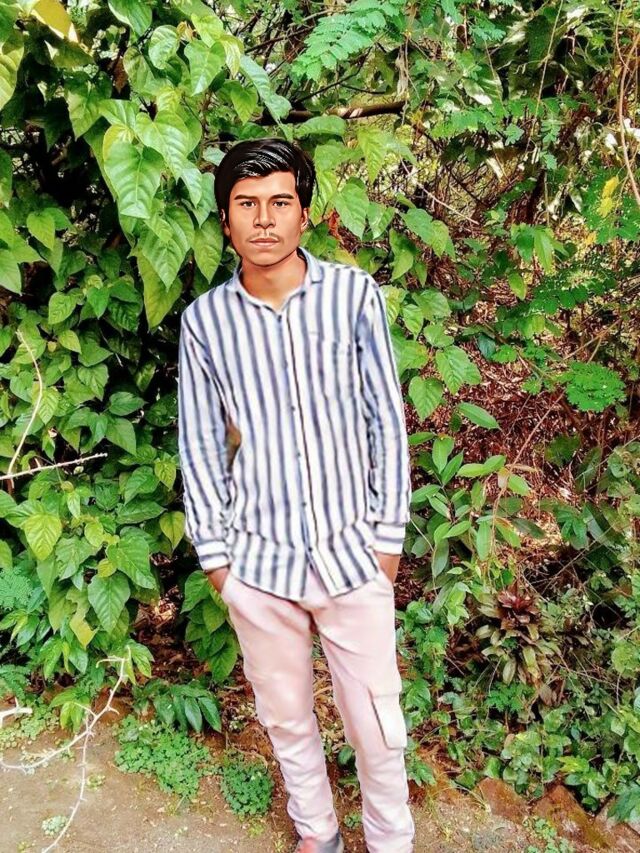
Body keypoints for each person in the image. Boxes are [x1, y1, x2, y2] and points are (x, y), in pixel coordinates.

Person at [177, 137, 414, 853]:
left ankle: (391, 840)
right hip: (259, 563)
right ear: (226, 221)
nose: (264, 219)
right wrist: (219, 563)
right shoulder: (205, 322)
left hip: (353, 553)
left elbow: (384, 420)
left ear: (304, 214)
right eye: (246, 204)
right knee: (285, 715)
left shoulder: (352, 297)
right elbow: (201, 443)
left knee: (377, 721)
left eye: (280, 202)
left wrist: (387, 541)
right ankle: (318, 832)